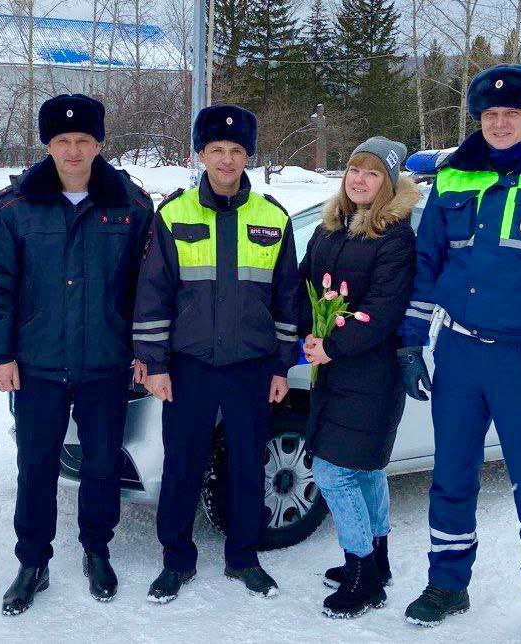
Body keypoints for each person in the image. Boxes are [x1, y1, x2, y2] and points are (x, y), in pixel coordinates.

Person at [397, 64, 521, 644]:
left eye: (513, 113)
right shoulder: (453, 177)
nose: (501, 123)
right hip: (459, 353)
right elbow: (427, 265)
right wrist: (411, 342)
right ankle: (447, 583)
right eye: (490, 114)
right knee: (451, 475)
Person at [0, 94, 154, 614]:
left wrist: (143, 350)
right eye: (62, 140)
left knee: (101, 462)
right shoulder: (15, 205)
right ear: (48, 144)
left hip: (106, 361)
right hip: (38, 362)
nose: (73, 151)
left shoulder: (131, 204)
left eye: (83, 140)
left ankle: (97, 549)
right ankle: (32, 560)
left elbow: (146, 287)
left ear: (99, 144)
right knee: (35, 464)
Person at [134, 104, 299, 603]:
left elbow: (286, 298)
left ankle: (243, 557)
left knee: (248, 464)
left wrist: (281, 366)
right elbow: (153, 294)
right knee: (182, 464)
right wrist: (155, 363)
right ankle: (176, 559)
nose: (226, 159)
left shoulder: (273, 217)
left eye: (236, 150)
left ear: (249, 156)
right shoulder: (173, 214)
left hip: (250, 366)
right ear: (200, 154)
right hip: (190, 366)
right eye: (216, 149)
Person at [299, 136, 418, 619]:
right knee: (366, 470)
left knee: (334, 472)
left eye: (372, 172)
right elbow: (305, 282)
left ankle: (362, 576)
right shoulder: (329, 227)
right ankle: (378, 562)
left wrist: (332, 344)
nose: (360, 179)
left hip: (372, 373)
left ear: (388, 182)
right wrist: (309, 331)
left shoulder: (395, 236)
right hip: (334, 371)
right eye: (354, 169)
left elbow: (383, 309)